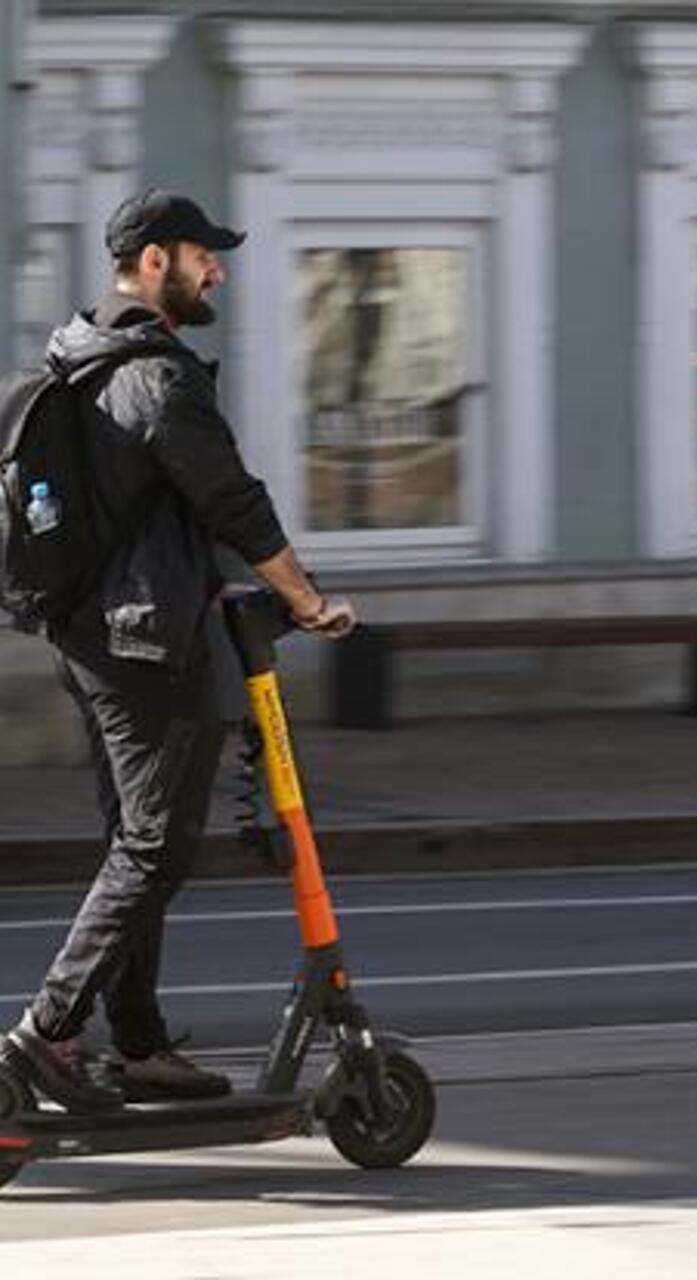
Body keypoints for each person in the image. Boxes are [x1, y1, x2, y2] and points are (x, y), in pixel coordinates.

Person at [3, 190, 357, 1111]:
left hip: (90, 635)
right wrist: (305, 600)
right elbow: (229, 500)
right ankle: (46, 1033)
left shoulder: (78, 353)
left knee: (138, 842)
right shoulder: (155, 374)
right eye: (206, 255)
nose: (219, 271)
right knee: (155, 847)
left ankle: (141, 1044)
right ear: (155, 260)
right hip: (148, 644)